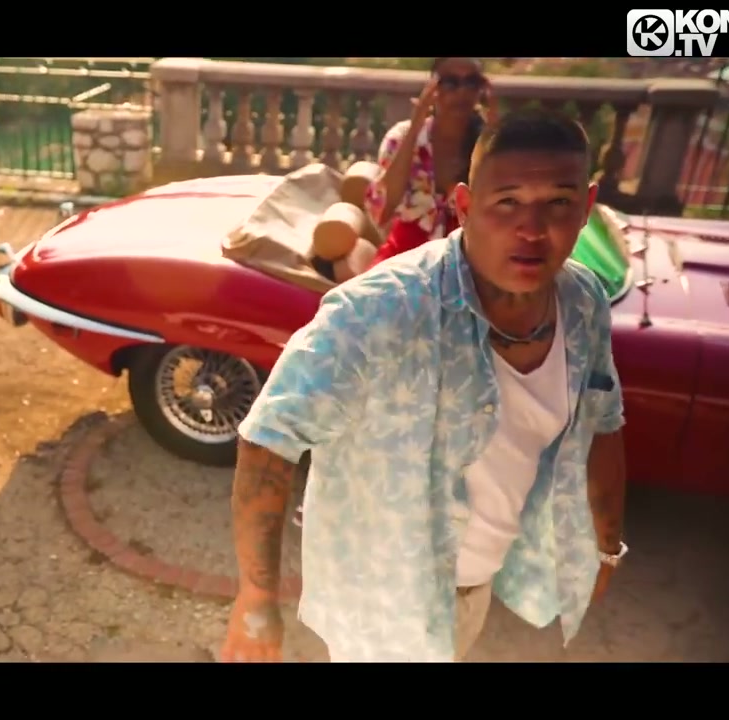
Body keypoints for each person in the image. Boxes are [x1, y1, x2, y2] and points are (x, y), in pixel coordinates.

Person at [219, 107, 629, 663]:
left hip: (474, 590)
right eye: (507, 202)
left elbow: (603, 422)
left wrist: (605, 545)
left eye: (558, 202)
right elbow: (268, 441)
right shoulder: (376, 312)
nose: (532, 229)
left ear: (586, 206)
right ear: (465, 207)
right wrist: (257, 598)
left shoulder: (583, 303)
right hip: (382, 606)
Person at [363, 58, 499, 269]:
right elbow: (384, 209)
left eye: (471, 82)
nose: (462, 92)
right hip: (404, 259)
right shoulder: (402, 137)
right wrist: (415, 126)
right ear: (433, 87)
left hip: (468, 262)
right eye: (451, 82)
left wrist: (495, 132)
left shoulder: (489, 142)